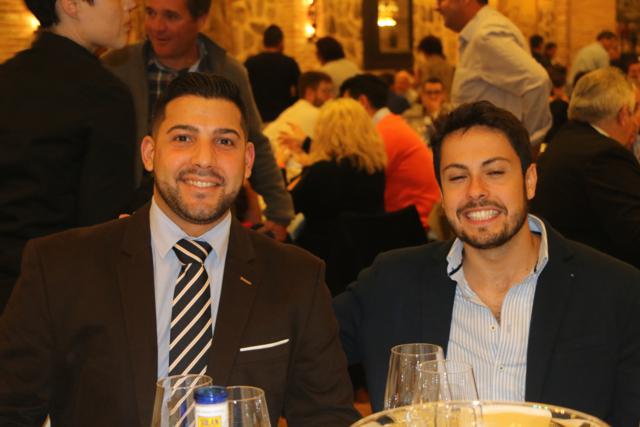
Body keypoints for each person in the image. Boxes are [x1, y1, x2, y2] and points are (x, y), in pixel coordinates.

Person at [0, 73, 360, 426]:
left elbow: (327, 417)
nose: (204, 159)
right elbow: (10, 411)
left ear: (248, 161)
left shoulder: (297, 278)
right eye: (183, 138)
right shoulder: (61, 267)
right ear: (149, 153)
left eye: (225, 141)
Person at [334, 101, 640, 426]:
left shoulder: (616, 292)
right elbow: (304, 347)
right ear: (442, 195)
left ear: (530, 180)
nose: (476, 191)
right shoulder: (390, 284)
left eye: (494, 172)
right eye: (457, 177)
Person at [102, 0, 293, 241]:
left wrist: (279, 210)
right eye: (150, 13)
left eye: (171, 16)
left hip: (206, 220)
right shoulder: (118, 67)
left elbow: (253, 140)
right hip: (128, 214)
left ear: (201, 19)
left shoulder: (228, 71)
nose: (157, 26)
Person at [0, 0, 136, 312]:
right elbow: (100, 230)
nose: (131, 5)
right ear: (71, 4)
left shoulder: (6, 78)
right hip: (56, 299)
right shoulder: (104, 95)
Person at [532, 67, 640, 269]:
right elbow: (635, 236)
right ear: (624, 114)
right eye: (636, 110)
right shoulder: (605, 156)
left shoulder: (565, 140)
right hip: (597, 275)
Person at [289, 98, 386, 295]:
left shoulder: (323, 172)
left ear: (324, 132)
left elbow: (289, 204)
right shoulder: (374, 169)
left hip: (323, 265)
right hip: (365, 259)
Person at [436, 0, 551, 148]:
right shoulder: (478, 34)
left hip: (490, 151)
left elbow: (537, 81)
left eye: (441, 0)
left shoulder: (486, 35)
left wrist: (529, 145)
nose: (437, 7)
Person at [341, 74, 441, 231]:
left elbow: (356, 182)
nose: (342, 115)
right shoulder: (391, 124)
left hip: (415, 225)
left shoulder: (382, 133)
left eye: (346, 106)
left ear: (362, 102)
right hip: (413, 218)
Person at [263, 71, 333, 180]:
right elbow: (328, 152)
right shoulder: (317, 114)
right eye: (325, 91)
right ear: (310, 93)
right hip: (285, 173)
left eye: (330, 91)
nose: (330, 97)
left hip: (268, 169)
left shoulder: (293, 109)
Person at [244, 24, 301, 122]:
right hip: (283, 116)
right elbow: (300, 88)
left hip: (258, 116)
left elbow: (244, 89)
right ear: (281, 42)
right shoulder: (289, 63)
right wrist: (292, 104)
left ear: (264, 42)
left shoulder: (251, 63)